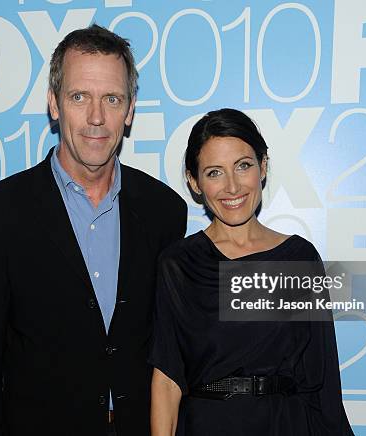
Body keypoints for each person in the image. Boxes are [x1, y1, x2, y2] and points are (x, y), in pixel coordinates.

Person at [0, 24, 187, 436]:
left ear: (130, 109)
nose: (96, 117)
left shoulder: (164, 210)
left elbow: (171, 349)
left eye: (111, 99)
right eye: (79, 97)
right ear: (54, 104)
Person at [149, 108, 353, 435]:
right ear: (194, 181)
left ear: (263, 167)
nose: (232, 187)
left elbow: (322, 378)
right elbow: (167, 379)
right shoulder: (179, 264)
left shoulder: (298, 258)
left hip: (287, 426)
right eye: (214, 172)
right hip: (208, 426)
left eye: (243, 166)